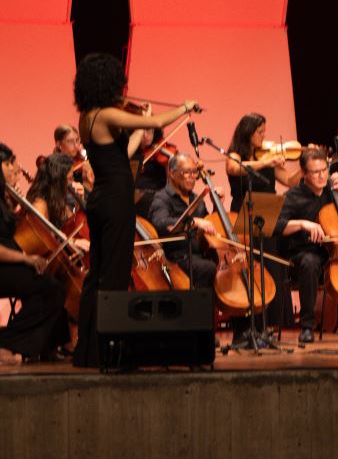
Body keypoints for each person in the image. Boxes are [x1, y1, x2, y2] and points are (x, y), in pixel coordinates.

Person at [72, 52, 198, 368]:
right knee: (113, 277)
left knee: (97, 276)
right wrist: (183, 107)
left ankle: (88, 352)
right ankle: (110, 353)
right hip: (115, 203)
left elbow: (119, 157)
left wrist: (139, 136)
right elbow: (156, 121)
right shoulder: (106, 115)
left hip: (103, 199)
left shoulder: (89, 117)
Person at [224, 113, 303, 336]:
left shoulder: (268, 156)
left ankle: (268, 324)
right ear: (248, 132)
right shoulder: (236, 154)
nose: (263, 136)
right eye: (260, 132)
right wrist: (265, 162)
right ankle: (248, 324)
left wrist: (305, 170)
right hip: (243, 209)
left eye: (264, 131)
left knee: (268, 265)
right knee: (249, 265)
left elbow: (288, 180)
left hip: (267, 209)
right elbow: (233, 168)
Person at [0, 143, 71, 363]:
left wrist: (11, 206)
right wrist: (27, 259)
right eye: (9, 163)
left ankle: (48, 345)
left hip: (10, 263)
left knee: (53, 283)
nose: (15, 168)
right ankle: (6, 343)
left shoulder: (2, 198)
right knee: (49, 289)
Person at [274, 148, 338, 343]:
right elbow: (277, 226)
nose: (322, 175)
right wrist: (302, 223)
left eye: (324, 170)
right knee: (310, 263)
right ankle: (307, 326)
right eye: (316, 172)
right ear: (304, 174)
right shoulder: (293, 196)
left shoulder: (333, 192)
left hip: (335, 251)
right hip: (303, 252)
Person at [148, 152, 218, 291]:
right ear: (172, 173)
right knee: (208, 268)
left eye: (194, 172)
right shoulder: (162, 198)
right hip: (176, 258)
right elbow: (161, 223)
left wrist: (217, 205)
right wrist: (193, 222)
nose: (193, 177)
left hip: (199, 255)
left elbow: (207, 225)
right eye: (187, 172)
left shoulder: (196, 199)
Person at [52, 123, 94, 193]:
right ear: (59, 144)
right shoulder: (56, 168)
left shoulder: (83, 158)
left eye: (77, 140)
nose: (76, 145)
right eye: (70, 141)